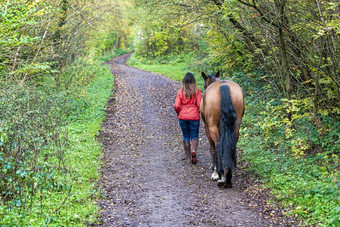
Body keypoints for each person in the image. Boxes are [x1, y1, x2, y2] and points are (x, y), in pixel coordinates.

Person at [174, 73, 202, 164]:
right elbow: (200, 105)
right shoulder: (197, 91)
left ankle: (187, 158)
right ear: (193, 81)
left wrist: (179, 113)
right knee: (194, 136)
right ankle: (194, 151)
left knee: (186, 136)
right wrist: (198, 112)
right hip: (194, 117)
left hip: (183, 117)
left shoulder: (180, 91)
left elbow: (177, 106)